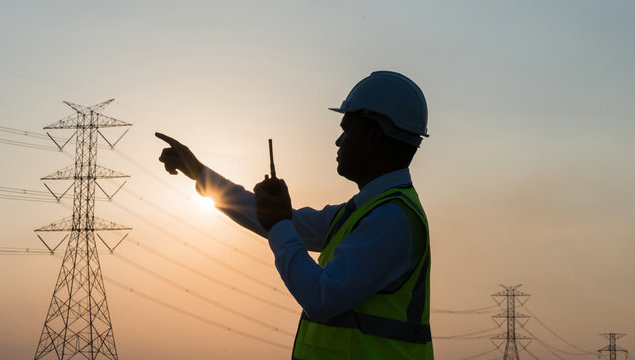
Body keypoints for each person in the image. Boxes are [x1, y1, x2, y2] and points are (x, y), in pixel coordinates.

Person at [156, 71, 433, 359]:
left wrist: (278, 225)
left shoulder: (392, 220)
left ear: (374, 138)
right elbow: (285, 222)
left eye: (347, 130)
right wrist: (200, 174)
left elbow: (321, 297)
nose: (339, 142)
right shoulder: (368, 211)